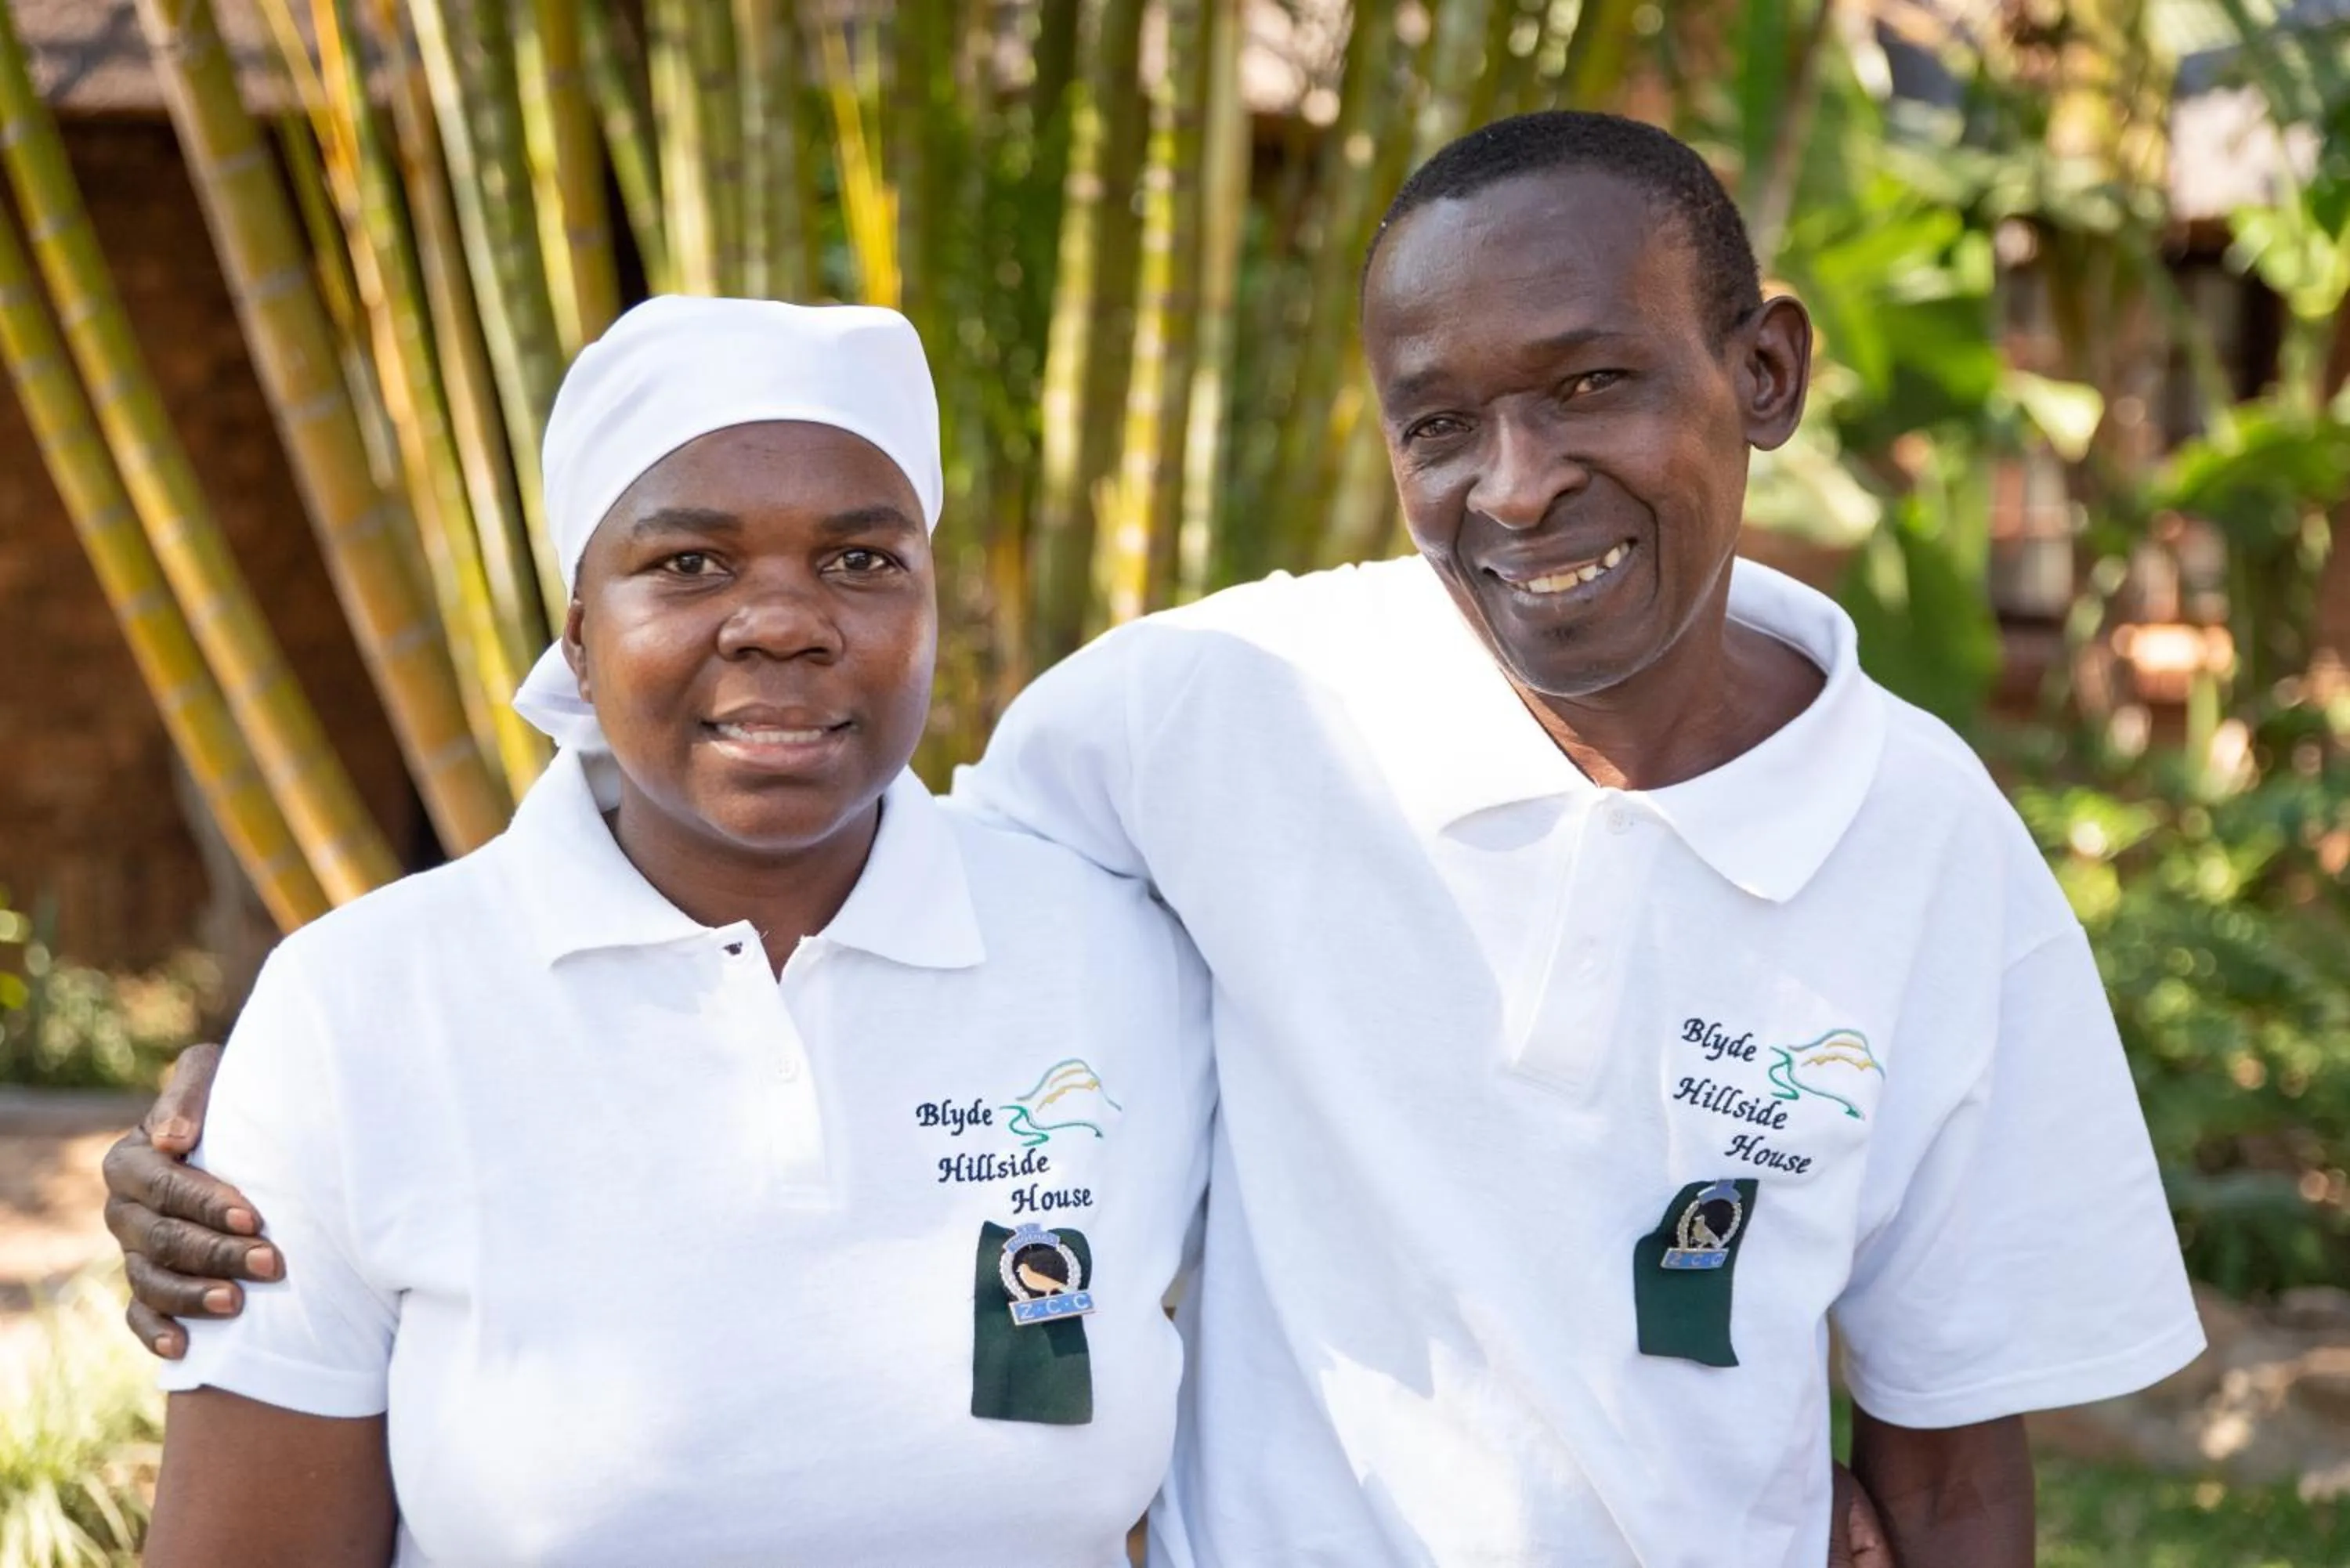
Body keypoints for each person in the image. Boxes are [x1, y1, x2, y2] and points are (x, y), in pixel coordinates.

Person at [108, 114, 2197, 1566]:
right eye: (1442, 424)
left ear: (1763, 374)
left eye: (1594, 387)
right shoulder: (1209, 718)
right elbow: (727, 833)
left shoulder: (1922, 842)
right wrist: (314, 1078)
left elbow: (1956, 1438)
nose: (1522, 480)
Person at [135, 296, 1215, 1566]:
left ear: (933, 613)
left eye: (861, 561)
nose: (781, 620)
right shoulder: (365, 1010)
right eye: (690, 564)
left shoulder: (1126, 965)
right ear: (581, 639)